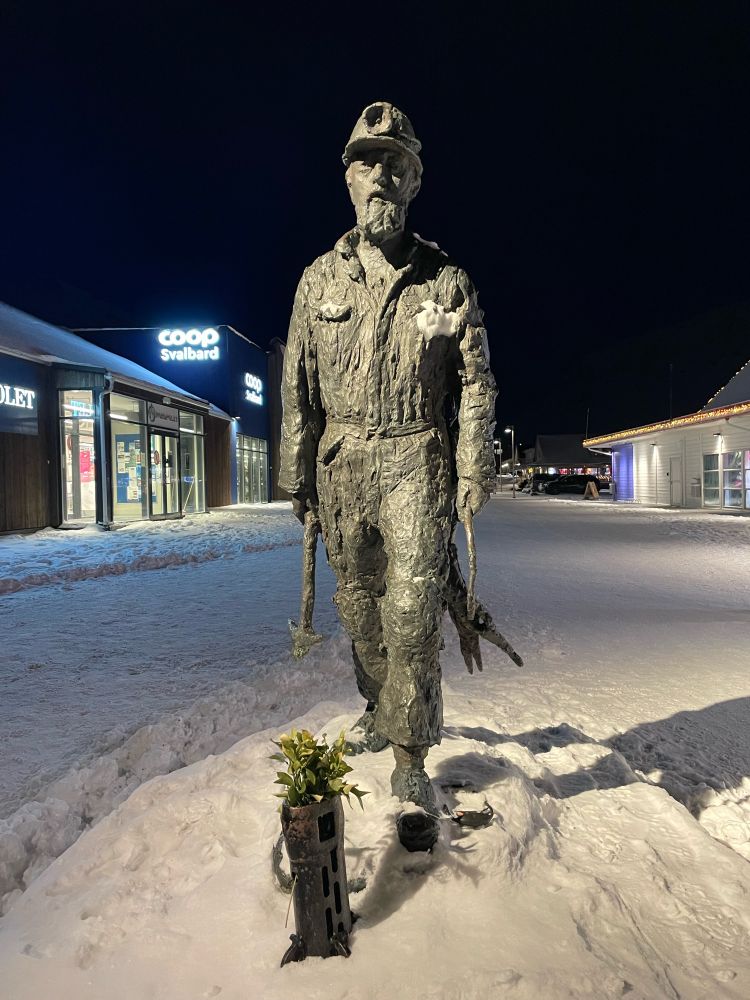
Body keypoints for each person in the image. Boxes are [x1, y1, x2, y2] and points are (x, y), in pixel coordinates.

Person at [279, 102, 496, 849]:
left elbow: (475, 382)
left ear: (415, 181)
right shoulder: (317, 280)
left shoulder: (445, 279)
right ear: (348, 178)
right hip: (342, 465)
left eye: (396, 164)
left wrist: (473, 467)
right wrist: (296, 480)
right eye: (368, 162)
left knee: (411, 612)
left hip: (416, 460)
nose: (382, 177)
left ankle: (411, 750)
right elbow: (297, 387)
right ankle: (379, 706)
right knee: (361, 608)